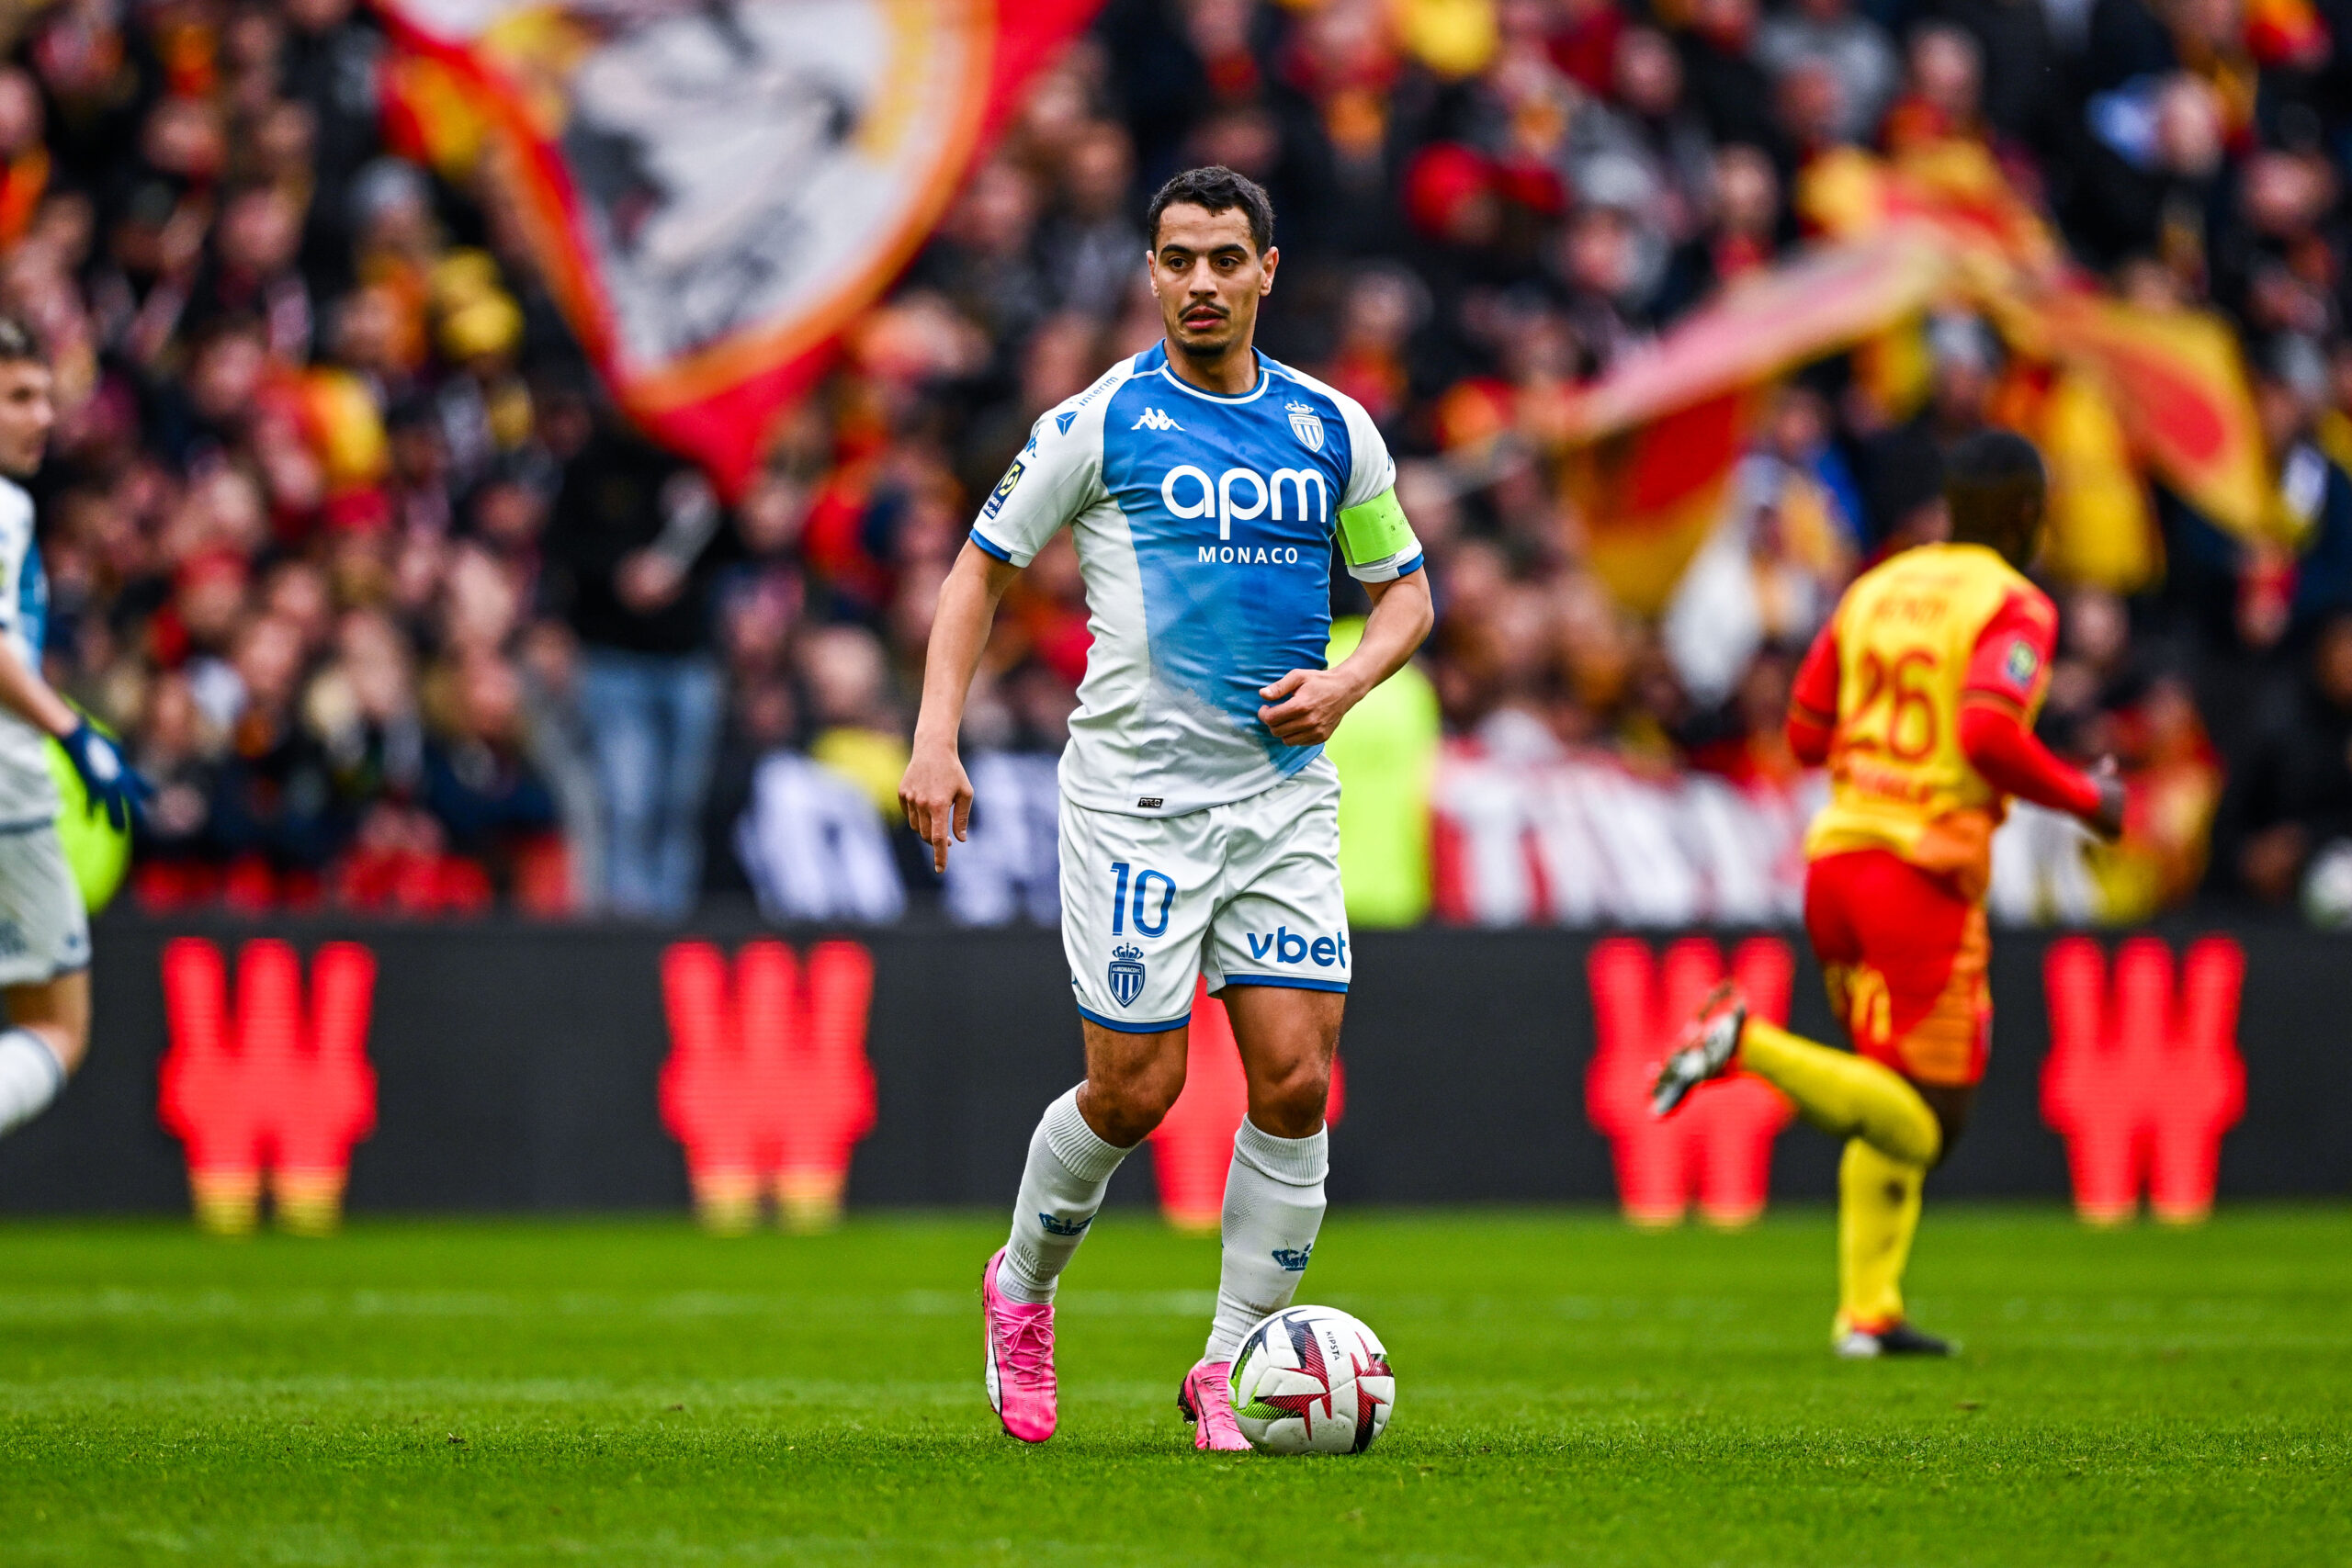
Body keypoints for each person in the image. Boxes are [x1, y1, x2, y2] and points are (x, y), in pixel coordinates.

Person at [899, 167, 1433, 1448]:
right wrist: (934, 737)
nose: (1202, 281)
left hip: (1283, 796)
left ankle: (1233, 1361)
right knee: (1135, 1090)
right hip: (1137, 805)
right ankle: (1020, 1287)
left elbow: (1406, 589)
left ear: (1267, 271)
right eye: (1179, 259)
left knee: (1297, 1078)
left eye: (1225, 259)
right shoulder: (1099, 422)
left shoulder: (1331, 429)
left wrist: (1350, 679)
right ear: (1150, 272)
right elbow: (977, 575)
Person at [1650, 431, 2124, 1357]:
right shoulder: (2013, 604)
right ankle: (1747, 1043)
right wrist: (2086, 797)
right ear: (2027, 514)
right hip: (1923, 875)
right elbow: (1987, 732)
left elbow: (1803, 732)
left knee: (1879, 1090)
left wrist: (1879, 765)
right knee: (1928, 1122)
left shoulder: (1874, 589)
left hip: (1837, 866)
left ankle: (1867, 1311)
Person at [0, 316, 146, 1142]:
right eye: (19, 397)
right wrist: (72, 733)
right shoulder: (4, 507)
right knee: (58, 1025)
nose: (43, 418)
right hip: (8, 789)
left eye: (47, 398)